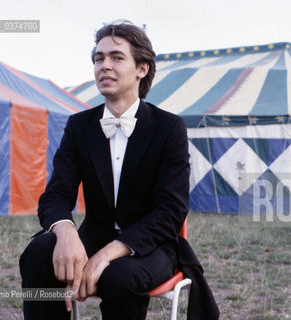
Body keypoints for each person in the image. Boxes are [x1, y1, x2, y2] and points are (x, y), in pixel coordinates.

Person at [19, 20, 219, 320]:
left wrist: (106, 255)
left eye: (116, 57)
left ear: (142, 68)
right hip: (93, 234)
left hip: (150, 246)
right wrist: (66, 231)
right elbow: (56, 194)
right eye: (98, 58)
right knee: (38, 253)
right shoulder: (79, 126)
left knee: (119, 277)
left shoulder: (169, 128)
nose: (104, 66)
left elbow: (170, 211)